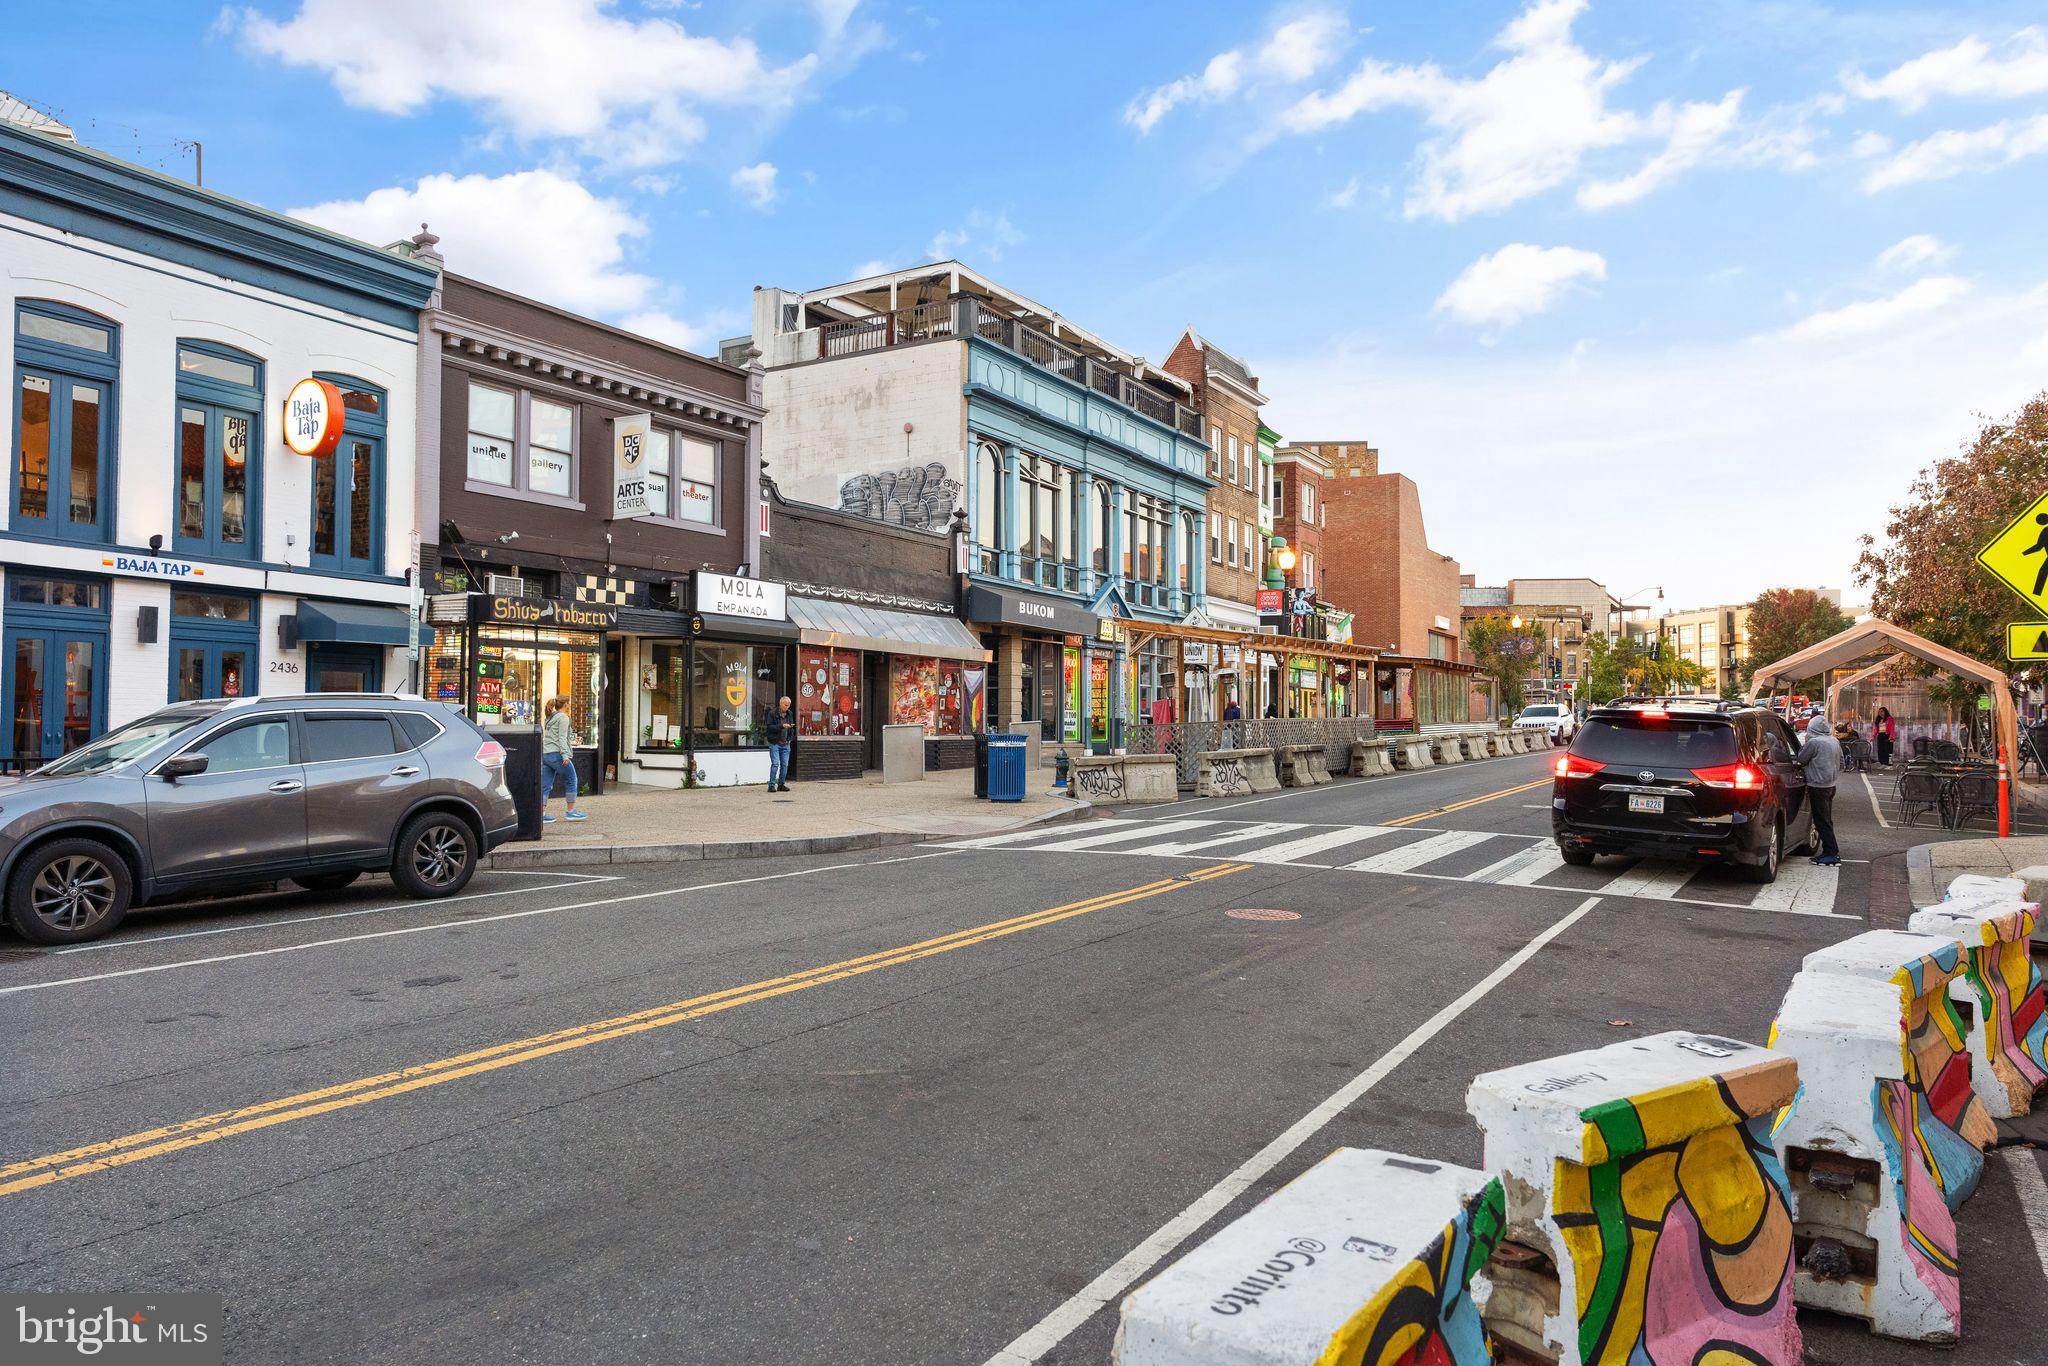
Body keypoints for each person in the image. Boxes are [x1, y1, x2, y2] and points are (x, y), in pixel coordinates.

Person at [1794, 713, 1841, 866]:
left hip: (1818, 785)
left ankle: (1831, 853)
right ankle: (1830, 851)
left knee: (1821, 821)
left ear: (1812, 728)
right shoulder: (1834, 741)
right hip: (1831, 784)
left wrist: (1807, 741)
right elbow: (1841, 760)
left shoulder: (1814, 742)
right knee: (1826, 819)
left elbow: (1801, 759)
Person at [540, 696, 585, 823]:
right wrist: (565, 755)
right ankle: (571, 812)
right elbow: (562, 738)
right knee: (571, 779)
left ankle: (541, 814)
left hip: (546, 754)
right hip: (557, 755)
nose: (570, 705)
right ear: (565, 704)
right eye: (569, 703)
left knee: (545, 785)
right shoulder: (563, 718)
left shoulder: (550, 718)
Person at [763, 694, 796, 792]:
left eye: (789, 705)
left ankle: (781, 784)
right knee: (775, 764)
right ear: (780, 703)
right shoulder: (772, 713)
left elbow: (791, 728)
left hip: (786, 743)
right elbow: (769, 727)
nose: (787, 707)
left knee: (785, 765)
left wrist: (790, 737)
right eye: (785, 705)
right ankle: (771, 785)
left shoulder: (790, 713)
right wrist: (782, 726)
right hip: (775, 743)